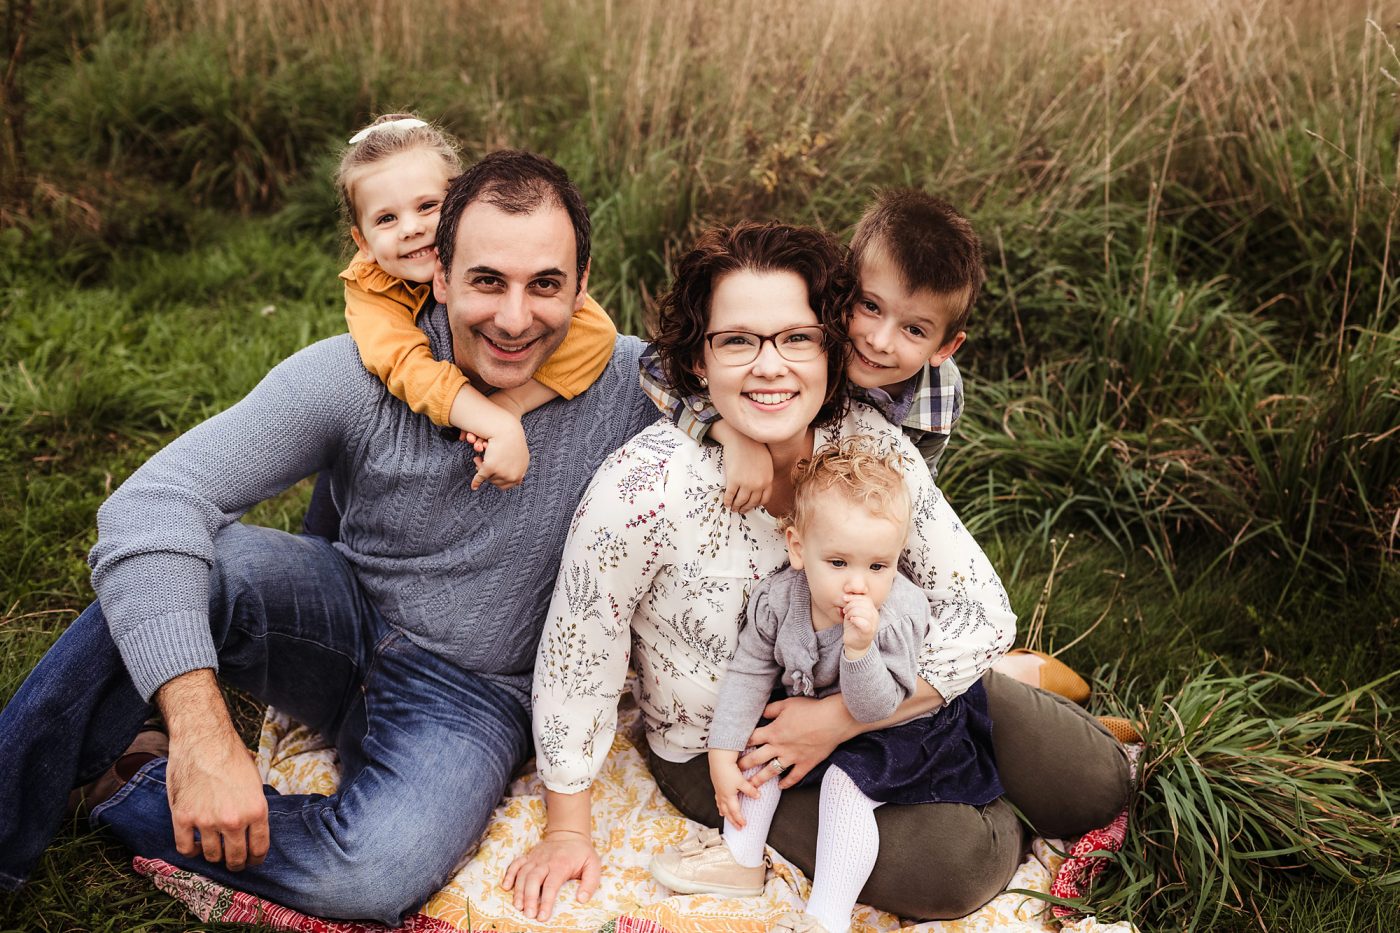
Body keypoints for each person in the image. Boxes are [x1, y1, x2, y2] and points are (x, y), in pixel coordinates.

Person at [0, 150, 659, 924]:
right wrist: (206, 733)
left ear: (583, 287)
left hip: (473, 694)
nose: (515, 318)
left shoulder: (635, 383)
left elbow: (777, 411)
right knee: (180, 561)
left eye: (545, 284)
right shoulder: (361, 372)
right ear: (439, 274)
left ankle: (128, 783)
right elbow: (150, 504)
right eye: (487, 281)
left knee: (377, 873)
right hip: (337, 615)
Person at [502, 220, 1129, 922]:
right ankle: (978, 787)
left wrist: (836, 720)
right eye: (739, 340)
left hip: (878, 679)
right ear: (700, 362)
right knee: (959, 861)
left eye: (797, 338)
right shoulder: (640, 492)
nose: (771, 366)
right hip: (739, 749)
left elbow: (982, 606)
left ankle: (988, 726)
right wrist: (566, 827)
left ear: (831, 348)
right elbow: (577, 653)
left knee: (1097, 782)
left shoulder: (866, 443)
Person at [640, 188, 1087, 700]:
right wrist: (728, 430)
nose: (879, 339)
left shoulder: (938, 394)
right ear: (841, 289)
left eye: (914, 329)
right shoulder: (801, 339)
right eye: (869, 307)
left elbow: (912, 492)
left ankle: (1023, 685)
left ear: (945, 347)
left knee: (892, 625)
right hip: (795, 535)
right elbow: (659, 364)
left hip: (866, 522)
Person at [648, 437, 1003, 933]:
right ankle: (740, 859)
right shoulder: (779, 598)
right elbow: (750, 671)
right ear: (798, 548)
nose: (858, 583)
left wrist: (859, 649)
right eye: (838, 563)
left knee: (845, 786)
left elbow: (875, 706)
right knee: (760, 749)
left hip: (899, 726)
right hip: (818, 707)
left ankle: (826, 918)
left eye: (878, 566)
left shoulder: (894, 616)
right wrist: (722, 751)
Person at [335, 113, 617, 489]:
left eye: (426, 207)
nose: (411, 228)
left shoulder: (496, 255)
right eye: (386, 218)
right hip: (371, 443)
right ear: (363, 242)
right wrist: (490, 420)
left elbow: (597, 331)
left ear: (459, 207)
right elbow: (406, 367)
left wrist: (513, 403)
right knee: (335, 496)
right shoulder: (371, 289)